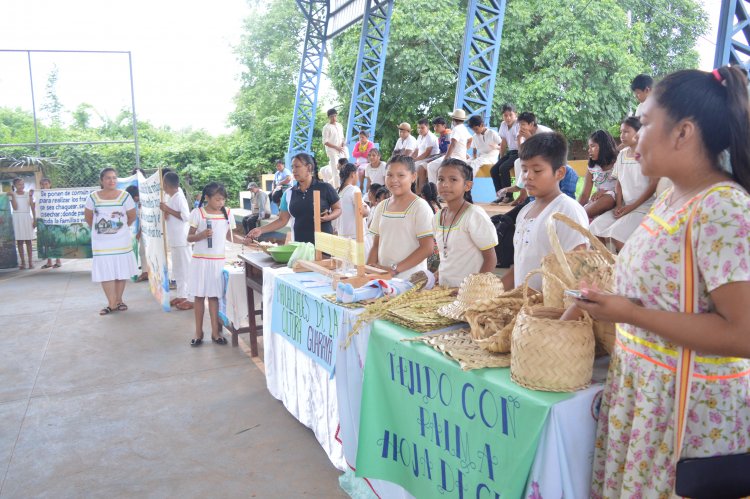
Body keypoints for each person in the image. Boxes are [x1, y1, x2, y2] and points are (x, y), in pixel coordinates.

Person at [575, 66, 750, 498]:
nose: (632, 138)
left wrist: (629, 313)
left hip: (686, 413)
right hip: (647, 397)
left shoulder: (722, 207)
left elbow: (743, 332)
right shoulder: (672, 197)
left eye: (646, 123)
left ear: (683, 133)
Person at [501, 132, 589, 291]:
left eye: (537, 170)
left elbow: (580, 271)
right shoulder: (525, 211)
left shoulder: (567, 210)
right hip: (525, 310)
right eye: (524, 169)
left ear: (560, 173)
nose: (528, 176)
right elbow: (520, 266)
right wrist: (490, 295)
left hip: (552, 310)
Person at [186, 182, 245, 346]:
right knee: (199, 297)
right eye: (218, 200)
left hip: (217, 261)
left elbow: (229, 236)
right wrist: (201, 235)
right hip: (200, 261)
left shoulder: (227, 213)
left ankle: (215, 332)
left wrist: (246, 241)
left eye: (223, 200)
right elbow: (189, 238)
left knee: (214, 297)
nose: (221, 203)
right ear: (207, 198)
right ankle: (198, 332)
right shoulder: (197, 213)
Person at [590, 117, 658, 251]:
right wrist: (619, 205)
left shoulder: (648, 154)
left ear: (639, 132)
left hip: (643, 208)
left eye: (626, 132)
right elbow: (619, 183)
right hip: (625, 206)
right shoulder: (621, 155)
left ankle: (621, 269)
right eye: (621, 132)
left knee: (615, 234)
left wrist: (631, 206)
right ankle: (604, 267)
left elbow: (653, 185)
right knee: (594, 228)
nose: (622, 136)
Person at [248, 153, 342, 244]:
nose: (293, 170)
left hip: (323, 246)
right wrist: (261, 230)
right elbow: (282, 220)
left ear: (309, 168)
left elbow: (338, 209)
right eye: (292, 167)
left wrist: (329, 217)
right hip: (299, 246)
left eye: (297, 167)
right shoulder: (288, 193)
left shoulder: (325, 188)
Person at [367, 155, 434, 280]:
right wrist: (369, 272)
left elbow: (427, 248)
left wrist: (394, 269)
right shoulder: (382, 206)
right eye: (389, 175)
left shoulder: (420, 207)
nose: (394, 180)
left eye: (401, 175)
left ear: (413, 177)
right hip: (384, 279)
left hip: (411, 281)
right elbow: (376, 245)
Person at [434, 159, 497, 286]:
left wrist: (473, 289)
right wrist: (435, 275)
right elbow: (447, 257)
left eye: (453, 179)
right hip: (444, 291)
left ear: (467, 186)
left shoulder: (474, 215)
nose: (445, 184)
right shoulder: (438, 216)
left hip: (469, 294)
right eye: (441, 179)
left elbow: (491, 259)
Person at [83, 168, 138, 315]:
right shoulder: (93, 197)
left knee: (121, 270)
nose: (111, 181)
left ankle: (119, 300)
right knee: (105, 272)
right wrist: (101, 232)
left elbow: (132, 216)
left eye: (114, 178)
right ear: (101, 180)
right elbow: (88, 218)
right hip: (101, 243)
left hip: (121, 242)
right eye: (108, 178)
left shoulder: (125, 196)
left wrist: (119, 230)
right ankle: (111, 303)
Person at [160, 172, 193, 310]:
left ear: (166, 184)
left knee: (187, 270)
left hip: (182, 239)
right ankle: (181, 295)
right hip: (174, 239)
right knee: (178, 270)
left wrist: (168, 209)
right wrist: (168, 212)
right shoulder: (171, 197)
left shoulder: (179, 197)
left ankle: (191, 298)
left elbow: (186, 216)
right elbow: (173, 214)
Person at [578, 130, 619, 219]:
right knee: (584, 207)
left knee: (608, 198)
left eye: (593, 146)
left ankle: (577, 217)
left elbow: (624, 187)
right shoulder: (592, 168)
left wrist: (604, 192)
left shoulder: (618, 163)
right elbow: (585, 195)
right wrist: (576, 208)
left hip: (614, 198)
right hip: (598, 201)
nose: (589, 150)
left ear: (604, 147)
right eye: (589, 147)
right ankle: (576, 216)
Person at [491, 103, 521, 201]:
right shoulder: (503, 125)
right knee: (494, 169)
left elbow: (520, 142)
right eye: (505, 115)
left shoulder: (518, 124)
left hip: (519, 152)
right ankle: (500, 196)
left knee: (503, 168)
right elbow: (503, 143)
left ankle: (508, 196)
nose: (508, 118)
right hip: (511, 152)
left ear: (515, 114)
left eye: (510, 115)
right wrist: (501, 157)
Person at [336, 163, 370, 244]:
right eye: (357, 173)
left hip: (342, 236)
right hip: (356, 237)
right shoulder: (354, 189)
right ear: (353, 174)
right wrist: (367, 207)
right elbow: (363, 212)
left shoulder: (338, 192)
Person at [8, 177, 35, 270]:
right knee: (19, 241)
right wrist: (13, 196)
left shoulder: (28, 194)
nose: (21, 186)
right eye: (19, 184)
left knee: (29, 241)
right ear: (14, 185)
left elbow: (32, 207)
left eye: (23, 184)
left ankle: (30, 262)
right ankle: (23, 262)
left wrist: (34, 219)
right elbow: (15, 207)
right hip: (17, 218)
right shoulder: (12, 194)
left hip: (26, 217)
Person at [420, 116, 452, 187]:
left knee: (430, 166)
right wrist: (433, 157)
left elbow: (449, 148)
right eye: (434, 126)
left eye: (437, 126)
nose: (435, 128)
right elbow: (441, 151)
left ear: (444, 125)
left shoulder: (447, 133)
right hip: (441, 155)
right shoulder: (440, 136)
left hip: (447, 156)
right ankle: (423, 191)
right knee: (422, 165)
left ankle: (433, 190)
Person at [125, 185, 149, 282]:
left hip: (147, 231)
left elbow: (146, 220)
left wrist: (139, 232)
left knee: (143, 251)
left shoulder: (144, 203)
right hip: (143, 230)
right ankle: (145, 271)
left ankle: (145, 273)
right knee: (142, 251)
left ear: (135, 197)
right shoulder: (140, 203)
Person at [37, 177, 62, 269]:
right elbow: (37, 207)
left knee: (55, 240)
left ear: (50, 184)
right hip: (44, 221)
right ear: (40, 186)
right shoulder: (39, 195)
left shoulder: (55, 194)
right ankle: (49, 261)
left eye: (46, 184)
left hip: (54, 220)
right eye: (42, 184)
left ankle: (58, 260)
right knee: (46, 240)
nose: (44, 186)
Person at [413, 118, 441, 191]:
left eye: (422, 128)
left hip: (430, 158)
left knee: (416, 166)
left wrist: (414, 160)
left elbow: (427, 153)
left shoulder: (430, 137)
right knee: (407, 164)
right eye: (418, 128)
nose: (420, 130)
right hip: (421, 159)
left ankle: (421, 192)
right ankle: (414, 190)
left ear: (427, 127)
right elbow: (416, 150)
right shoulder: (419, 136)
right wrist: (409, 158)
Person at [322, 108, 346, 189]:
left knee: (344, 167)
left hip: (341, 150)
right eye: (332, 116)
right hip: (332, 151)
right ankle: (337, 187)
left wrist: (342, 144)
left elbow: (342, 137)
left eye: (335, 116)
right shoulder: (326, 127)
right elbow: (325, 141)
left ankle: (343, 184)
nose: (334, 118)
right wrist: (336, 147)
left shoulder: (339, 125)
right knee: (335, 169)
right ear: (329, 117)